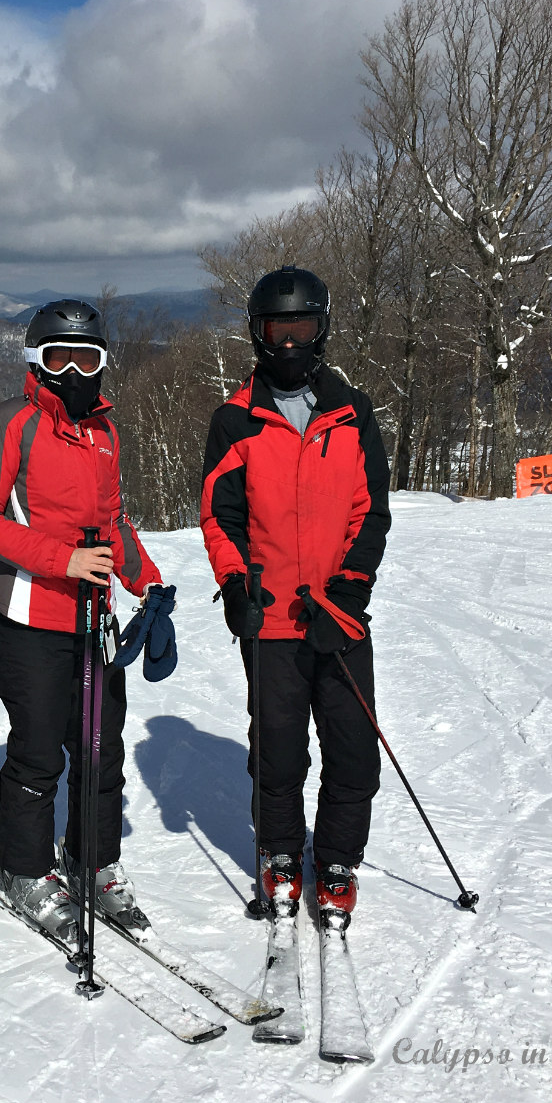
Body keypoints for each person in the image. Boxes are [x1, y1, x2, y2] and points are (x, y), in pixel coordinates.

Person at [0, 299, 166, 943]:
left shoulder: (105, 434)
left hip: (94, 621)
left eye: (88, 358)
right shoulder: (9, 426)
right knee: (40, 750)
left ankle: (93, 863)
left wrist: (150, 582)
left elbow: (114, 524)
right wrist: (61, 560)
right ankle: (22, 870)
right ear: (36, 362)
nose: (74, 371)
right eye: (59, 358)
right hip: (29, 618)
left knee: (102, 750)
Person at [199, 266, 390, 932]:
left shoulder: (351, 413)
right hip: (272, 618)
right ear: (258, 335)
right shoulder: (235, 419)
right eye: (277, 331)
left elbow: (372, 514)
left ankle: (337, 863)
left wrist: (349, 592)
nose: (288, 345)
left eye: (300, 329)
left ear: (322, 329)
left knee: (353, 750)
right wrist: (233, 584)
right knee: (277, 751)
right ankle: (281, 857)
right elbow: (219, 515)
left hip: (336, 616)